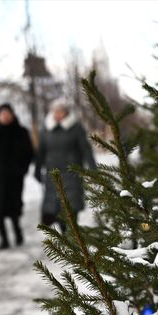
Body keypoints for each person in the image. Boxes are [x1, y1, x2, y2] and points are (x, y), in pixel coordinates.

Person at [34, 99, 96, 233]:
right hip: (53, 174)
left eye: (60, 111)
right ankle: (65, 235)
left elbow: (85, 150)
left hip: (72, 173)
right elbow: (41, 152)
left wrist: (93, 169)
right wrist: (37, 169)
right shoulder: (46, 129)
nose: (57, 114)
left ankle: (73, 235)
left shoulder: (76, 128)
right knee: (56, 208)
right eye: (55, 111)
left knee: (71, 207)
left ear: (66, 112)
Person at [0, 103, 34, 250]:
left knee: (13, 209)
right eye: (2, 113)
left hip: (13, 180)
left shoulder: (21, 132)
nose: (5, 115)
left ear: (12, 114)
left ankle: (18, 232)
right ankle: (4, 239)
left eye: (7, 113)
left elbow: (29, 154)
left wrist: (21, 170)